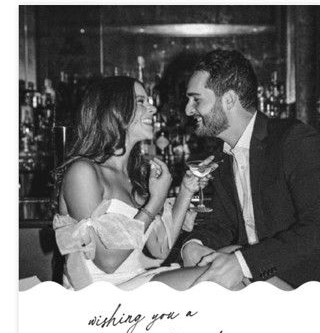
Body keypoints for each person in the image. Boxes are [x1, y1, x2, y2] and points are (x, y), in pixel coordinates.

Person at [182, 49, 320, 290]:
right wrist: (192, 245)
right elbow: (221, 225)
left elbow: (318, 230)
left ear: (229, 100)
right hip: (255, 284)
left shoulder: (294, 140)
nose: (188, 110)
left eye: (197, 99)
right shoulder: (222, 156)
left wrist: (242, 263)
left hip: (310, 290)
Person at [53, 76, 214, 290]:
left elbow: (160, 248)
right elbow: (107, 260)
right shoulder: (83, 172)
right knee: (216, 276)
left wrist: (186, 189)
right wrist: (155, 200)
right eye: (140, 102)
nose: (152, 109)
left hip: (134, 286)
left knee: (226, 266)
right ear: (112, 110)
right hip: (100, 298)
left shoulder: (133, 177)